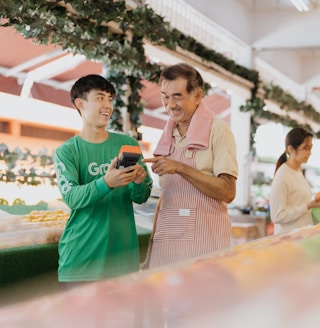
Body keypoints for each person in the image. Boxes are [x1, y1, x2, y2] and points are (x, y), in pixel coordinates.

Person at [54, 74, 153, 283]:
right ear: (80, 104)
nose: (107, 105)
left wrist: (138, 182)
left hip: (123, 261)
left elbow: (142, 196)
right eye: (100, 98)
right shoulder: (67, 151)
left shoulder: (128, 144)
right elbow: (71, 197)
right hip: (81, 262)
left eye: (110, 99)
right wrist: (106, 182)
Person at [142, 63, 238, 268]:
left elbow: (228, 191)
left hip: (205, 247)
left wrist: (180, 168)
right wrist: (151, 251)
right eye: (164, 96)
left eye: (177, 96)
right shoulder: (168, 135)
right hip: (166, 247)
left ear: (197, 96)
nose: (169, 104)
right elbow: (165, 198)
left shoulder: (218, 131)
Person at [270, 127, 320, 235]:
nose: (310, 153)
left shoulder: (298, 171)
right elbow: (277, 216)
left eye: (310, 148)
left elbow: (298, 201)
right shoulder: (282, 176)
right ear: (291, 149)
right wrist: (308, 206)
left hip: (302, 237)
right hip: (287, 241)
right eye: (306, 148)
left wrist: (313, 203)